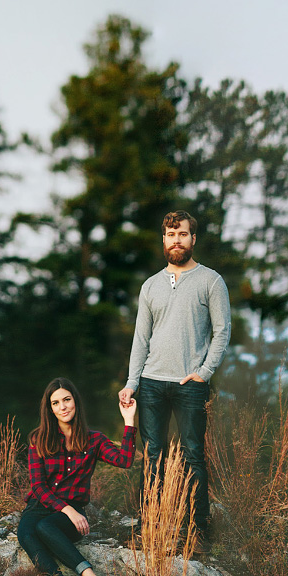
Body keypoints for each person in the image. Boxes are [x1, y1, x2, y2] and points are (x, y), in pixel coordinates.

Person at [118, 211, 231, 544]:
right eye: (170, 234)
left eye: (182, 234)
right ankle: (150, 522)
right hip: (152, 383)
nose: (176, 240)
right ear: (163, 239)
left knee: (194, 455)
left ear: (193, 239)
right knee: (153, 456)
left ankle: (199, 529)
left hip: (189, 385)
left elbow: (222, 331)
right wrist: (131, 382)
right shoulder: (151, 285)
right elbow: (141, 338)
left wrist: (205, 372)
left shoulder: (211, 281)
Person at [17, 377, 137, 576]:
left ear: (75, 402)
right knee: (26, 531)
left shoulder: (95, 440)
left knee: (45, 527)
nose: (62, 407)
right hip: (41, 505)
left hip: (66, 517)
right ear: (49, 409)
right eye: (56, 403)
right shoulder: (38, 439)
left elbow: (125, 460)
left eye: (67, 400)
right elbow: (38, 486)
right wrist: (68, 509)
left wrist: (129, 420)